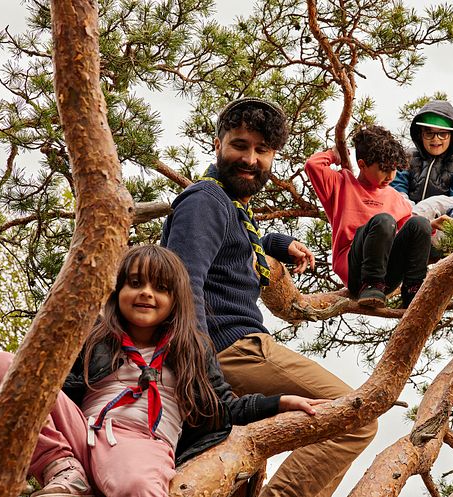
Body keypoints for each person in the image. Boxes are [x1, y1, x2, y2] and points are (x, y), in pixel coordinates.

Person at [161, 96, 377, 497]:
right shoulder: (205, 200)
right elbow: (181, 283)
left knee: (238, 475)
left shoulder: (231, 207)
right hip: (230, 349)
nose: (251, 158)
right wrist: (198, 366)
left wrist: (280, 243)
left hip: (229, 353)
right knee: (354, 415)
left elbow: (242, 240)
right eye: (240, 145)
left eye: (262, 151)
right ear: (217, 144)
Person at [0, 245, 323, 497]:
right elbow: (48, 384)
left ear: (176, 299)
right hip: (81, 431)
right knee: (4, 368)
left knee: (139, 485)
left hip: (140, 443)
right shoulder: (96, 336)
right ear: (118, 292)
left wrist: (279, 403)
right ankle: (63, 470)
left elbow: (225, 408)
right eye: (135, 283)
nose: (146, 293)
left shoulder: (192, 349)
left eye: (160, 288)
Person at [305, 125, 433, 308]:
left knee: (420, 223)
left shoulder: (395, 197)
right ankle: (371, 284)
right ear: (362, 165)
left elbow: (410, 233)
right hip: (356, 271)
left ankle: (413, 291)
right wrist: (334, 154)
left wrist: (430, 227)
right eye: (383, 169)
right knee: (384, 221)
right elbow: (313, 165)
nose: (390, 175)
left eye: (394, 168)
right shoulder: (341, 185)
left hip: (387, 275)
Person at [391, 100, 453, 253]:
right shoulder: (408, 158)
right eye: (429, 133)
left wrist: (431, 205)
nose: (435, 139)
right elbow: (397, 193)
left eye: (442, 133)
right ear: (420, 134)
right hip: (408, 227)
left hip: (444, 230)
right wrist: (418, 216)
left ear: (452, 136)